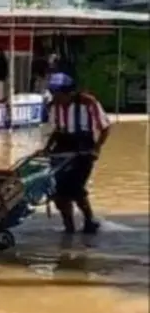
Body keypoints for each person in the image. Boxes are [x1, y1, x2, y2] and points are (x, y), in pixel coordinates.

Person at [41, 72, 111, 235]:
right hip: (63, 146)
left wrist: (96, 148)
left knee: (75, 187)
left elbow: (105, 128)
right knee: (59, 191)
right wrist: (47, 148)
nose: (55, 97)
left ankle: (89, 220)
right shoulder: (55, 106)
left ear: (69, 92)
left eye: (57, 93)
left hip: (83, 147)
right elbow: (58, 129)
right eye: (53, 93)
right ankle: (69, 227)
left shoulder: (89, 103)